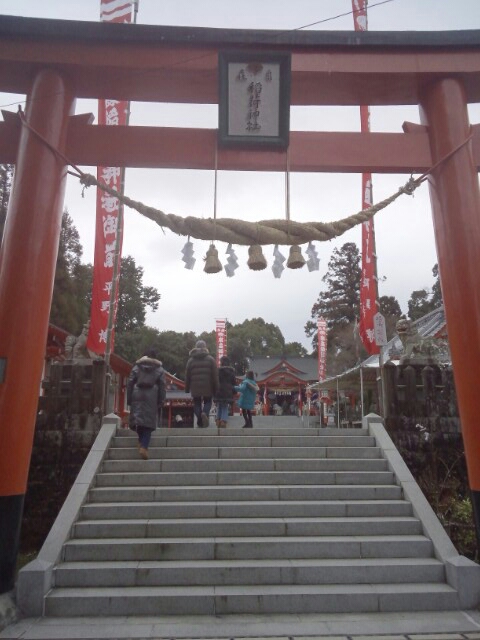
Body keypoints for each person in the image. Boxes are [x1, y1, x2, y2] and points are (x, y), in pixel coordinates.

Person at [127, 348, 166, 460]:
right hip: (152, 395)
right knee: (148, 422)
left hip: (137, 393)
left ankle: (140, 441)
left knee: (138, 420)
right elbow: (162, 386)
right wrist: (161, 400)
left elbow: (130, 383)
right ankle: (144, 446)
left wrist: (129, 399)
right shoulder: (159, 369)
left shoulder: (136, 367)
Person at [185, 340, 218, 428]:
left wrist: (187, 388)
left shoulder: (190, 360)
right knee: (208, 401)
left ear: (196, 347)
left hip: (195, 386)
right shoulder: (211, 359)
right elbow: (215, 376)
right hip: (208, 386)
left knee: (197, 403)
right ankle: (205, 413)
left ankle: (200, 420)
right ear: (205, 347)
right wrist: (216, 388)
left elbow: (187, 376)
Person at [215, 355, 236, 428]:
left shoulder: (217, 371)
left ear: (221, 362)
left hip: (219, 390)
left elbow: (215, 381)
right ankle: (223, 420)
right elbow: (233, 382)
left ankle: (218, 420)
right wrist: (234, 391)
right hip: (228, 390)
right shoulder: (231, 371)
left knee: (219, 405)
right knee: (225, 406)